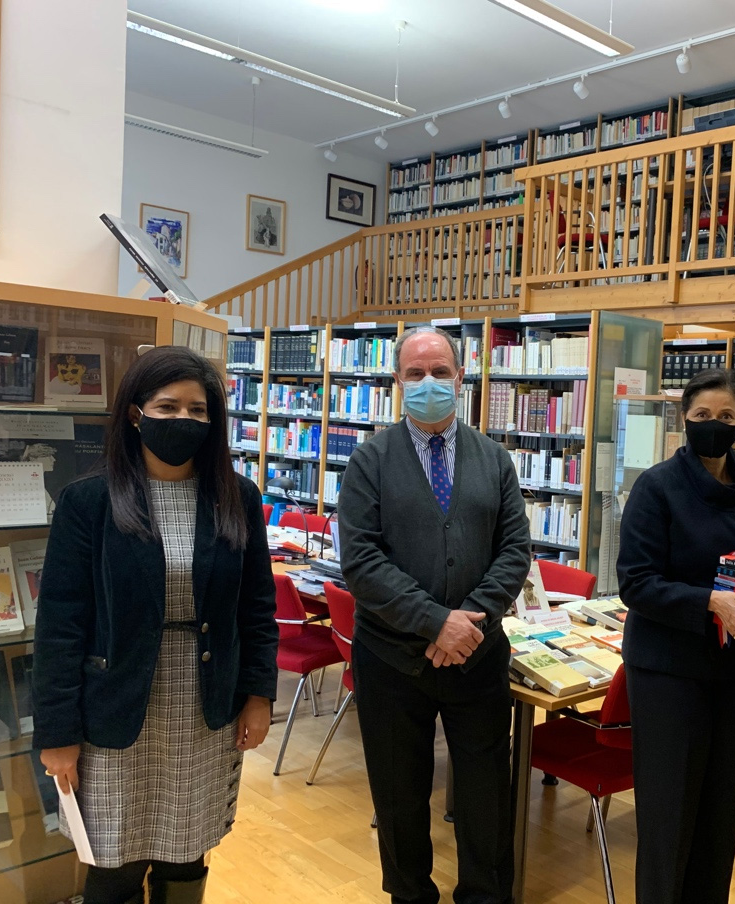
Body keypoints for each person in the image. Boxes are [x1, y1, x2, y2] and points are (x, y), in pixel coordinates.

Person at [32, 346, 279, 904]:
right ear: (136, 413)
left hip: (203, 707)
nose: (184, 420)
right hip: (114, 712)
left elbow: (255, 608)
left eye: (198, 409)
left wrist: (259, 694)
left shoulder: (238, 498)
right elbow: (60, 626)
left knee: (187, 854)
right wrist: (57, 733)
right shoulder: (88, 502)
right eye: (168, 406)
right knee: (114, 862)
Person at [339, 326, 530, 904]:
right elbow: (362, 560)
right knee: (398, 795)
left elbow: (514, 550)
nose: (429, 383)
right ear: (397, 381)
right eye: (416, 373)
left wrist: (468, 622)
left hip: (477, 655)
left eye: (440, 372)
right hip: (393, 659)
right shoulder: (369, 460)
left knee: (485, 791)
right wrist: (433, 622)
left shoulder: (494, 459)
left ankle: (485, 895)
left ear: (461, 378)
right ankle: (409, 895)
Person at [616, 368, 735, 904]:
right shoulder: (656, 486)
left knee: (719, 810)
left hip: (733, 670)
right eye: (703, 416)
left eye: (726, 417)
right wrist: (708, 600)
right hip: (668, 669)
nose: (715, 425)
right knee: (669, 812)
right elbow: (636, 583)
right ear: (684, 419)